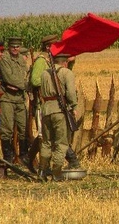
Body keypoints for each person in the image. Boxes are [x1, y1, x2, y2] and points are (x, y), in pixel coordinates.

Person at [22, 35, 81, 174]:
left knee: (48, 139)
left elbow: (61, 75)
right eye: (55, 45)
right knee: (52, 139)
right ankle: (54, 170)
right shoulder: (42, 61)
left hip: (48, 106)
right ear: (49, 46)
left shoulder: (52, 63)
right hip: (46, 104)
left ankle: (42, 169)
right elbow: (35, 80)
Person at [38, 53, 78, 182]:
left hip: (46, 110)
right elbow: (71, 93)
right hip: (60, 110)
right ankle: (56, 173)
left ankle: (42, 171)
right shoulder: (67, 73)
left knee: (46, 142)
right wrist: (73, 106)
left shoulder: (44, 73)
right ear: (65, 62)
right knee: (61, 143)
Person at [0, 37, 29, 164]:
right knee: (7, 129)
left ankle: (23, 155)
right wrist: (25, 85)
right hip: (8, 98)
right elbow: (9, 78)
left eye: (17, 47)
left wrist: (20, 84)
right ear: (9, 47)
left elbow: (24, 75)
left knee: (23, 127)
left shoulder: (21, 59)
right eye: (13, 47)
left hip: (20, 98)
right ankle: (8, 157)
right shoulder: (4, 59)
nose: (15, 49)